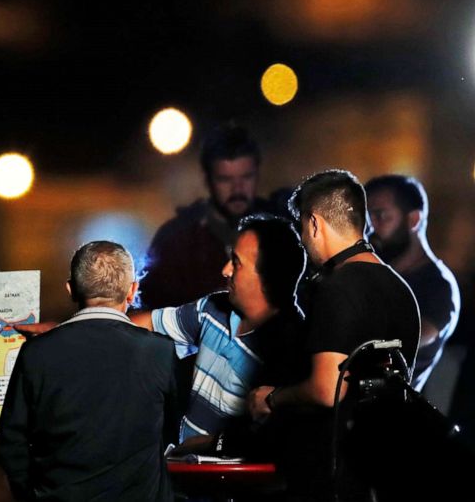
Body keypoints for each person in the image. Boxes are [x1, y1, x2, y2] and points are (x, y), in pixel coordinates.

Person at [248, 169, 420, 500]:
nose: (302, 239)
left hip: (334, 479)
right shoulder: (401, 289)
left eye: (302, 227)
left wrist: (271, 397)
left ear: (314, 222)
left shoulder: (336, 288)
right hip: (385, 472)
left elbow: (328, 389)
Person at [0, 241, 177, 502]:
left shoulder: (37, 354)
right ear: (132, 291)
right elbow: (170, 434)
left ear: (71, 289)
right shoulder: (160, 352)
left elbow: (10, 448)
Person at [133, 214, 307, 444]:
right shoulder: (214, 308)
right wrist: (99, 321)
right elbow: (149, 323)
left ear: (267, 275)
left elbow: (273, 439)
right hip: (187, 472)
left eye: (236, 262)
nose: (225, 270)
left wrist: (199, 447)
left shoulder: (294, 345)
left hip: (241, 478)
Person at [140, 123, 271, 310]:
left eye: (246, 177)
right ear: (208, 180)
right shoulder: (176, 241)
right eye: (225, 179)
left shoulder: (280, 232)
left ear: (257, 175)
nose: (237, 189)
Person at [364, 174, 460, 391]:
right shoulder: (375, 274)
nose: (371, 228)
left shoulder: (439, 286)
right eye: (367, 217)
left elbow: (406, 340)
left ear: (414, 220)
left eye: (381, 216)